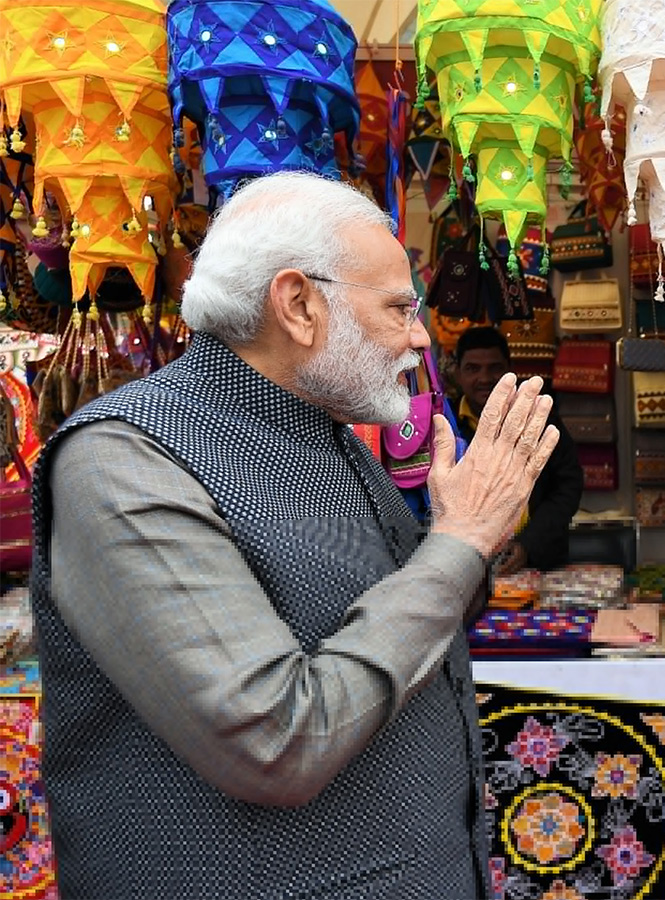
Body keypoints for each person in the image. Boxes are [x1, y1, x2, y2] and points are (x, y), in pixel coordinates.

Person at [29, 171, 561, 899]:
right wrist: (460, 540)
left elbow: (410, 618)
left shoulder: (329, 433)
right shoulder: (124, 461)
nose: (418, 337)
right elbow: (277, 741)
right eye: (400, 308)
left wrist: (461, 528)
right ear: (299, 304)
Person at [453, 326, 583, 574]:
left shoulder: (540, 418)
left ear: (509, 370)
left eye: (495, 368)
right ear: (457, 373)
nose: (484, 378)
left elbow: (568, 485)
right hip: (463, 565)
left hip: (537, 560)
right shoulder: (444, 424)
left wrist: (528, 545)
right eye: (472, 369)